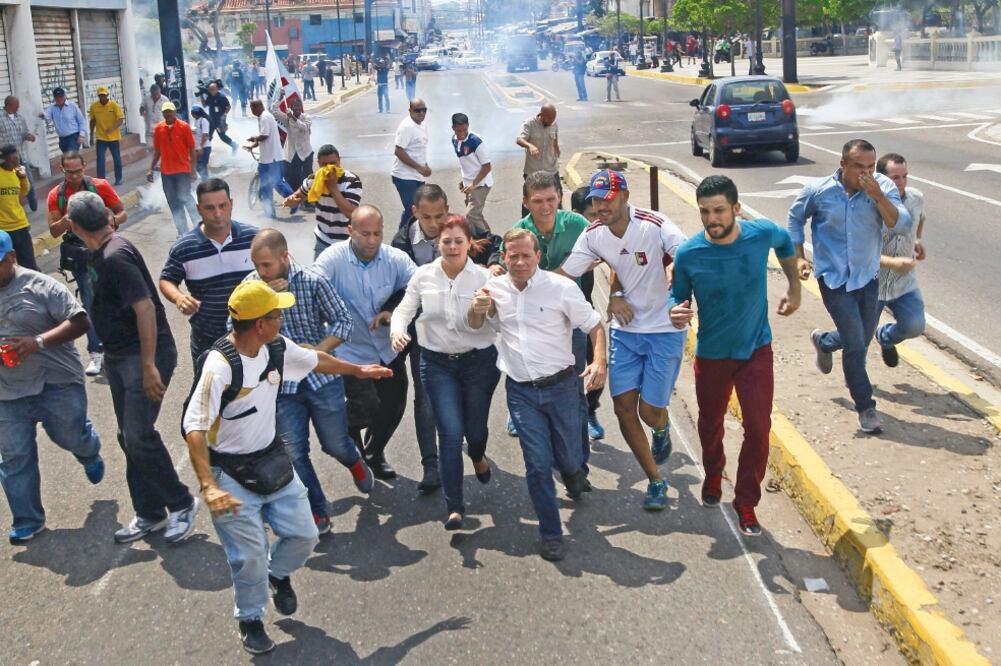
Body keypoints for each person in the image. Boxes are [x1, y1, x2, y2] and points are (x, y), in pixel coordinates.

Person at [182, 280, 390, 654]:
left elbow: (314, 360)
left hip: (272, 460)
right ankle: (250, 618)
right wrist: (209, 486)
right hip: (230, 475)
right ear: (259, 324)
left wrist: (359, 371)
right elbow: (194, 427)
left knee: (305, 535)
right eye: (277, 314)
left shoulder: (274, 346)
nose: (283, 317)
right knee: (248, 557)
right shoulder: (220, 366)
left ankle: (278, 575)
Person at [669, 175, 801, 536]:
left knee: (759, 428)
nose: (712, 219)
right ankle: (713, 473)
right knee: (709, 423)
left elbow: (786, 240)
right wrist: (675, 310)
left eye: (720, 211)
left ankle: (746, 502)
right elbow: (677, 295)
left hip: (756, 350)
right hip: (712, 354)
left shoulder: (759, 234)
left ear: (736, 209)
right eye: (705, 212)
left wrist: (794, 287)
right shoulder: (689, 253)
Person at [66, 192, 200, 543]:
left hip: (145, 357)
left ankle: (182, 503)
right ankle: (150, 513)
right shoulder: (99, 253)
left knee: (139, 435)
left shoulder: (115, 256)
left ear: (74, 226)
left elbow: (144, 309)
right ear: (108, 215)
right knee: (129, 437)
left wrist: (149, 366)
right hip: (121, 357)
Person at [469, 228, 607, 561]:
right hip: (521, 391)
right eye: (512, 256)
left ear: (537, 257)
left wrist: (599, 361)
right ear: (504, 257)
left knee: (569, 457)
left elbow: (594, 325)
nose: (519, 262)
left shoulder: (561, 288)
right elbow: (475, 324)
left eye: (525, 255)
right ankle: (551, 532)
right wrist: (476, 308)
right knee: (537, 465)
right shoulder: (494, 290)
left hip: (562, 386)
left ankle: (574, 473)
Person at [558, 170, 686, 511]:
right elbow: (564, 276)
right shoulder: (594, 235)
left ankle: (661, 426)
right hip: (626, 330)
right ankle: (656, 480)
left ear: (625, 196)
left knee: (649, 411)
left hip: (664, 330)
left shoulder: (654, 224)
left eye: (608, 199)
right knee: (623, 408)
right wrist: (513, 280)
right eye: (596, 200)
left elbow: (688, 254)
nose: (601, 206)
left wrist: (680, 281)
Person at [246, 229, 373, 535]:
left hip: (322, 380)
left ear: (284, 258)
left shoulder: (312, 280)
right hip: (281, 387)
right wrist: (265, 304)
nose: (261, 273)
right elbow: (235, 332)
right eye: (257, 265)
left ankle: (354, 461)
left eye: (267, 265)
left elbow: (344, 321)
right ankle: (317, 512)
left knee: (334, 444)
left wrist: (318, 351)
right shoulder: (251, 288)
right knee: (294, 453)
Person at [789, 139, 911, 434]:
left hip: (868, 278)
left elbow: (900, 224)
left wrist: (879, 197)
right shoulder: (818, 191)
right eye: (860, 167)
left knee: (862, 337)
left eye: (871, 167)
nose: (867, 174)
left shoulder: (881, 187)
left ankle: (825, 341)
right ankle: (866, 406)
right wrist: (798, 258)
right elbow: (795, 219)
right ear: (843, 165)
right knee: (856, 345)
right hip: (833, 279)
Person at [391, 215, 499, 529]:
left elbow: (499, 325)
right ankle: (455, 507)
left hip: (479, 363)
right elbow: (404, 310)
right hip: (437, 364)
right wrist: (397, 331)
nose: (452, 247)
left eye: (458, 241)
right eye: (446, 241)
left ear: (469, 245)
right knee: (450, 435)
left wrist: (489, 310)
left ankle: (478, 455)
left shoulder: (484, 278)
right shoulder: (423, 276)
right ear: (438, 244)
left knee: (474, 431)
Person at [0, 229, 104, 545]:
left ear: (11, 258)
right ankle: (28, 520)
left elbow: (80, 321)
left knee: (68, 434)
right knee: (15, 455)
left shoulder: (40, 285)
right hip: (8, 391)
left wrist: (38, 342)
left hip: (55, 382)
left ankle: (88, 450)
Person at [312, 205, 416, 480]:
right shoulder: (332, 259)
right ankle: (348, 441)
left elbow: (417, 288)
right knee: (366, 405)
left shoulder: (396, 259)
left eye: (377, 234)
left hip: (386, 349)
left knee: (394, 406)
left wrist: (392, 309)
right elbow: (312, 287)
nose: (371, 241)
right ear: (350, 230)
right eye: (364, 234)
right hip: (349, 349)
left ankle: (374, 453)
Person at [491, 172, 590, 451]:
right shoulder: (518, 232)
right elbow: (502, 263)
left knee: (575, 389)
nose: (545, 207)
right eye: (537, 201)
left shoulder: (578, 224)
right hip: (531, 324)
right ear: (525, 202)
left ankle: (578, 458)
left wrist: (562, 273)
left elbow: (599, 252)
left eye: (551, 199)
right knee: (528, 379)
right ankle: (524, 418)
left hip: (569, 319)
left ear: (560, 197)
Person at [159, 178, 257, 364]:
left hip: (251, 337)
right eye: (209, 208)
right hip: (208, 341)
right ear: (198, 209)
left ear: (231, 204)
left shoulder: (253, 238)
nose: (218, 213)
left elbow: (280, 264)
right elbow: (166, 280)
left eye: (223, 205)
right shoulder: (184, 247)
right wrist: (179, 297)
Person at [46, 152, 128, 376]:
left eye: (78, 171)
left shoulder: (99, 186)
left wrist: (111, 221)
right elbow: (53, 230)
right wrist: (67, 219)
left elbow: (122, 212)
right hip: (82, 256)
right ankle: (96, 353)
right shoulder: (57, 195)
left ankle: (120, 347)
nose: (74, 176)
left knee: (117, 298)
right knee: (90, 304)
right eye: (69, 172)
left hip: (106, 250)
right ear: (63, 171)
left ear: (85, 167)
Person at [871, 153, 927, 367]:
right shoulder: (868, 206)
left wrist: (917, 241)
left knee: (915, 326)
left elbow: (920, 218)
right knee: (856, 338)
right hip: (872, 283)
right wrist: (892, 263)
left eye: (905, 176)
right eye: (895, 178)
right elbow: (860, 251)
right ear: (881, 178)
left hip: (904, 283)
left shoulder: (916, 198)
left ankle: (885, 337)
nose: (901, 182)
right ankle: (825, 342)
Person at [568, 186, 606, 440]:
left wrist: (616, 295)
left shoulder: (602, 237)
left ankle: (590, 411)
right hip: (554, 317)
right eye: (591, 216)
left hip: (585, 312)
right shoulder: (569, 238)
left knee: (597, 362)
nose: (598, 221)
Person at [283, 144, 362, 259]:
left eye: (333, 163)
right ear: (318, 164)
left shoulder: (352, 181)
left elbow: (350, 212)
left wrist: (333, 188)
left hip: (346, 242)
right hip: (322, 240)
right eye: (325, 165)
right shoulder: (313, 180)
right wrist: (291, 201)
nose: (329, 168)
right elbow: (298, 195)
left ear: (340, 161)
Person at [148, 101, 199, 237]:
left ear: (175, 112)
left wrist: (193, 170)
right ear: (163, 113)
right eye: (166, 111)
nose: (168, 114)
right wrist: (150, 169)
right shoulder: (159, 129)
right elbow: (157, 151)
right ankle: (182, 231)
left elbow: (192, 149)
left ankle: (199, 226)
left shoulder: (184, 127)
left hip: (183, 171)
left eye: (170, 111)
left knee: (186, 198)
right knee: (173, 202)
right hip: (167, 173)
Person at [248, 99, 294, 220]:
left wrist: (254, 138)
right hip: (267, 158)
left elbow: (264, 136)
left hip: (272, 158)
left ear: (258, 107)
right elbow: (265, 138)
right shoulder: (263, 117)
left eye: (252, 108)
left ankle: (294, 200)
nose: (251, 111)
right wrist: (253, 145)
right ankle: (269, 212)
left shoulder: (265, 117)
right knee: (266, 187)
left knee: (277, 183)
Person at [450, 113, 493, 234]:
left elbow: (487, 166)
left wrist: (473, 184)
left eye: (465, 129)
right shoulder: (454, 140)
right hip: (469, 185)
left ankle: (488, 241)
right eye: (459, 131)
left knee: (471, 215)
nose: (462, 133)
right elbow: (465, 162)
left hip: (481, 184)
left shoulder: (476, 142)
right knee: (476, 216)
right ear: (453, 128)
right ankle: (490, 236)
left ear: (468, 126)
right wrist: (463, 181)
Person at [392, 99, 431, 230]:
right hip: (404, 177)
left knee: (418, 209)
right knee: (412, 210)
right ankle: (400, 240)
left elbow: (419, 149)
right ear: (410, 110)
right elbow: (398, 151)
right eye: (417, 110)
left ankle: (410, 236)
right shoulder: (407, 127)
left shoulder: (422, 125)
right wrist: (419, 168)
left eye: (424, 110)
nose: (421, 113)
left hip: (417, 176)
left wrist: (425, 165)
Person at [516, 104, 561, 217]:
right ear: (541, 115)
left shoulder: (554, 124)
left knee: (556, 197)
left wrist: (557, 149)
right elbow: (519, 139)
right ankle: (526, 223)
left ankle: (558, 221)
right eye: (549, 118)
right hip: (533, 171)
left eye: (553, 118)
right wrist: (530, 146)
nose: (551, 121)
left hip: (551, 170)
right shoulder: (530, 123)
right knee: (531, 199)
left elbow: (555, 141)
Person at [0, 145, 36, 271]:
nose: (17, 160)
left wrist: (23, 178)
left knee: (29, 264)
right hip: (3, 229)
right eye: (13, 158)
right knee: (5, 267)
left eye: (17, 156)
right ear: (5, 159)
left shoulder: (18, 173)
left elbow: (23, 192)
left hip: (20, 225)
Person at [0, 96, 38, 212]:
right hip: (5, 159)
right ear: (9, 105)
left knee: (28, 180)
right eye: (16, 105)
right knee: (9, 182)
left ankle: (32, 199)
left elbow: (25, 133)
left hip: (20, 156)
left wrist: (29, 136)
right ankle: (13, 206)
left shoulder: (20, 118)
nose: (18, 107)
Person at [270, 98, 313, 199]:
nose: (296, 108)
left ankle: (308, 201)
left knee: (307, 178)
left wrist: (293, 117)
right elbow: (274, 111)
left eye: (298, 106)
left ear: (301, 107)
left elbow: (304, 127)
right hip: (292, 153)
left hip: (305, 152)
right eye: (294, 106)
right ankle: (297, 197)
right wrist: (280, 98)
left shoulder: (306, 117)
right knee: (291, 178)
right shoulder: (287, 119)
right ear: (291, 108)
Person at [88, 86, 125, 186]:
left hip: (114, 137)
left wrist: (112, 128)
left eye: (104, 95)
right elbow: (93, 121)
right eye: (100, 96)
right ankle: (101, 180)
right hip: (101, 137)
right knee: (100, 158)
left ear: (107, 95)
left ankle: (118, 178)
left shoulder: (114, 105)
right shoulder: (94, 107)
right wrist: (91, 135)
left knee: (116, 158)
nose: (102, 98)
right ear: (98, 96)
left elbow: (121, 119)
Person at [39, 87, 87, 153]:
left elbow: (81, 121)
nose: (59, 99)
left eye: (60, 97)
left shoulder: (72, 106)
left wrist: (82, 135)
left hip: (73, 137)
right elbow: (47, 116)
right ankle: (79, 162)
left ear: (64, 96)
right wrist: (43, 115)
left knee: (70, 157)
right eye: (57, 97)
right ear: (54, 98)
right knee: (67, 160)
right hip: (62, 139)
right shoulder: (52, 107)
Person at [204, 82, 239, 155]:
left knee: (222, 136)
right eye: (210, 89)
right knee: (209, 136)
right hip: (211, 120)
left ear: (216, 89)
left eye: (213, 89)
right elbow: (205, 104)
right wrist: (201, 95)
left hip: (219, 121)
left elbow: (228, 107)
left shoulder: (221, 97)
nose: (211, 91)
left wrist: (224, 116)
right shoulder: (209, 96)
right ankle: (205, 152)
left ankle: (234, 145)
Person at [190, 105, 212, 181]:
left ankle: (206, 181)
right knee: (198, 165)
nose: (191, 114)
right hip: (199, 147)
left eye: (192, 113)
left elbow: (205, 135)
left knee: (201, 165)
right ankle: (206, 179)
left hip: (204, 147)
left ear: (195, 113)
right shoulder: (196, 121)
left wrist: (201, 146)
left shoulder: (203, 121)